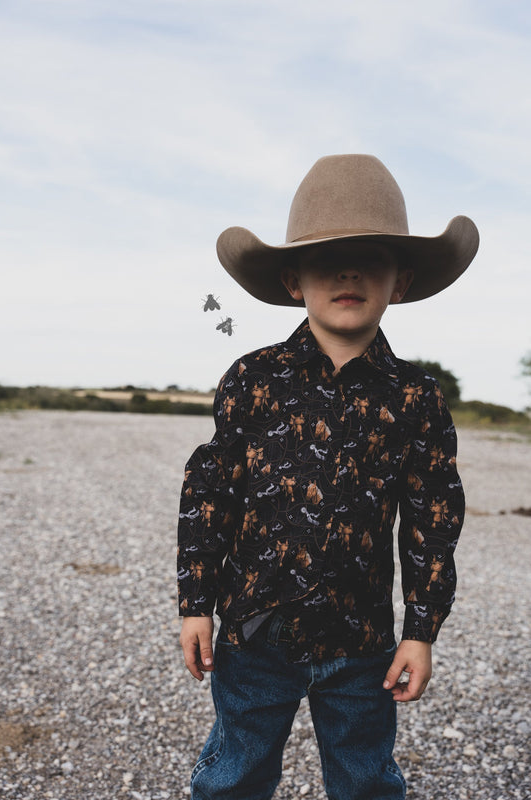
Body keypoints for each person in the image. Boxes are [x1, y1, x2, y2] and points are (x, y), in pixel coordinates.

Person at [177, 154, 479, 799]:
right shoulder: (253, 379)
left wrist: (420, 631)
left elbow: (433, 521)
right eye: (327, 258)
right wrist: (195, 603)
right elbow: (210, 495)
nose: (348, 271)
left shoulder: (416, 398)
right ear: (293, 280)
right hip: (255, 632)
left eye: (371, 256)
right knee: (234, 775)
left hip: (363, 646)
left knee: (366, 779)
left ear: (400, 281)